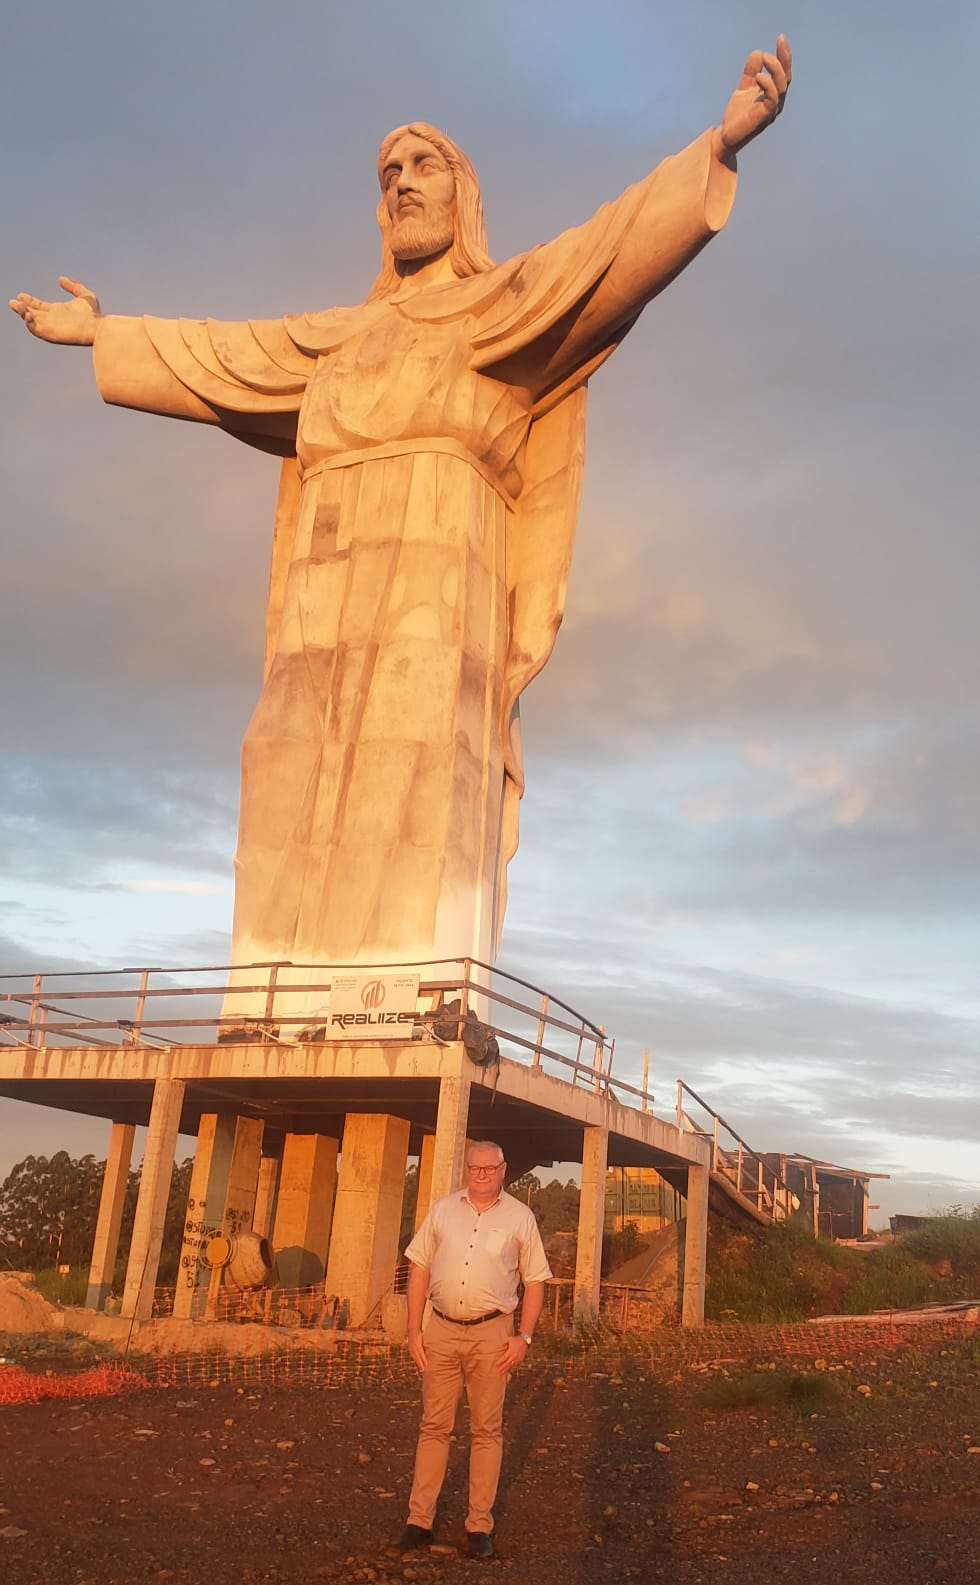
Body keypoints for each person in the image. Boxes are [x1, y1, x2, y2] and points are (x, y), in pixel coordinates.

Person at [9, 40, 791, 1020]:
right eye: (389, 174)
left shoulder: (500, 308)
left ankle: (411, 991)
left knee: (418, 765)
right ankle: (270, 994)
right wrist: (105, 333)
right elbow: (221, 356)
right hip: (321, 580)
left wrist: (716, 145)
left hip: (436, 573)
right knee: (284, 756)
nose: (403, 183)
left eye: (424, 167)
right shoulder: (332, 338)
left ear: (462, 194)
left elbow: (608, 249)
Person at [399, 1139, 552, 1556]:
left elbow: (536, 1280)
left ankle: (479, 1526)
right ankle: (419, 1520)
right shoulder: (443, 1210)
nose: (481, 1175)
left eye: (489, 1168)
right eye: (474, 1168)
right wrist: (414, 1330)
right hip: (441, 1332)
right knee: (434, 1426)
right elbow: (419, 1267)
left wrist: (524, 1337)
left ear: (504, 1169)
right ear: (467, 1169)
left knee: (487, 1430)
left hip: (493, 1335)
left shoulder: (521, 1218)